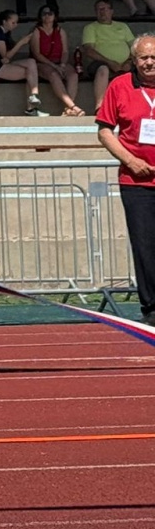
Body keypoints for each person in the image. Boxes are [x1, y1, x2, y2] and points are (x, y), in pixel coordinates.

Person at [96, 34, 155, 326]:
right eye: (143, 57)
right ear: (134, 60)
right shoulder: (120, 86)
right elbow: (105, 130)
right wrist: (130, 160)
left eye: (154, 57)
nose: (149, 62)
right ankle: (151, 307)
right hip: (137, 182)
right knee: (145, 245)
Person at [19, 5, 84, 116]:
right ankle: (73, 106)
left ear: (55, 16)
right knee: (54, 74)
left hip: (59, 61)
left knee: (73, 75)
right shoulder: (36, 31)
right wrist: (55, 66)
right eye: (44, 13)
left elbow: (65, 51)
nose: (47, 16)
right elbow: (37, 54)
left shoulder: (60, 31)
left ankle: (68, 108)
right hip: (42, 62)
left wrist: (62, 64)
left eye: (50, 13)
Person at [82, 0, 138, 110]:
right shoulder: (90, 27)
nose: (101, 12)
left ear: (111, 11)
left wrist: (129, 61)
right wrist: (110, 62)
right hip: (100, 63)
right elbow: (89, 50)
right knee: (103, 69)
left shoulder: (122, 26)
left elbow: (135, 46)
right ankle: (100, 106)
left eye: (104, 9)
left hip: (126, 63)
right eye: (98, 10)